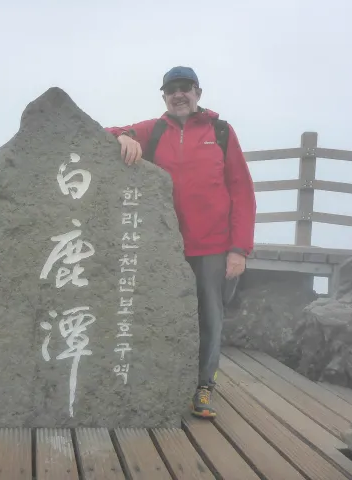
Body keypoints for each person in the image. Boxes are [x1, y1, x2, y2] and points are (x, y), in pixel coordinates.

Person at [105, 66, 256, 418]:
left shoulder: (220, 131)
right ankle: (159, 382)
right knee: (157, 314)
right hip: (164, 246)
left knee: (209, 318)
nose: (179, 95)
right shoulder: (154, 130)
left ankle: (203, 386)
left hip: (213, 246)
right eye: (172, 90)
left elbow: (242, 190)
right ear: (164, 96)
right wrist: (122, 138)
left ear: (198, 93)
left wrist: (239, 249)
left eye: (185, 88)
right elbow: (105, 132)